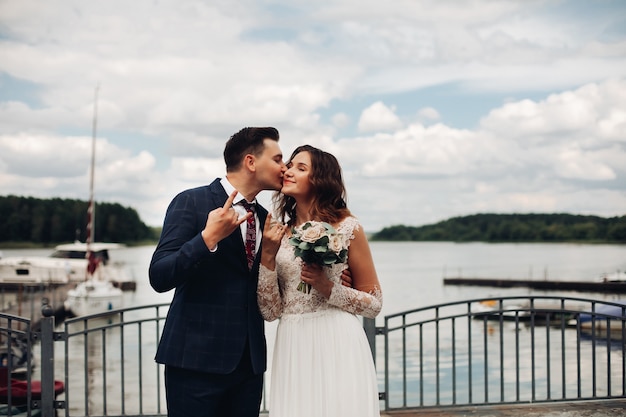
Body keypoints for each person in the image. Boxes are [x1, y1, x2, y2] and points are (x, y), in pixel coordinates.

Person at [148, 127, 286, 417]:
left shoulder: (264, 219)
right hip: (194, 362)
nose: (283, 168)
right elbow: (159, 276)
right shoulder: (191, 201)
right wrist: (206, 239)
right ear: (251, 162)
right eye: (277, 159)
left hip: (248, 366)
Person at [257, 144, 383, 417]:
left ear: (320, 181)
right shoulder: (276, 235)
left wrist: (329, 288)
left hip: (337, 338)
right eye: (290, 165)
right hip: (293, 341)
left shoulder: (348, 227)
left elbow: (374, 304)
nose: (288, 171)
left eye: (300, 168)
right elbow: (270, 311)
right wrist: (267, 256)